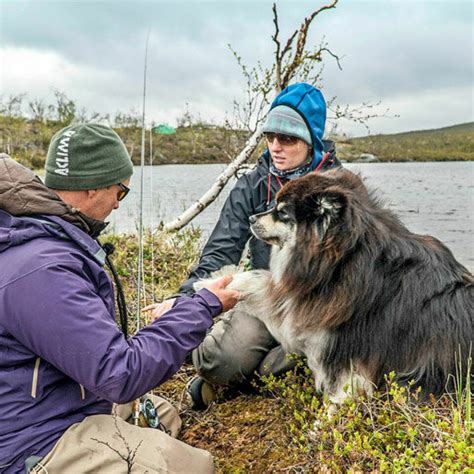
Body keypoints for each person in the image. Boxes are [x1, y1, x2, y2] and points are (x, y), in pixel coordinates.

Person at [0, 123, 240, 473]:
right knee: (192, 466)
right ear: (93, 185)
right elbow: (120, 373)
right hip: (32, 439)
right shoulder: (41, 270)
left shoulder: (45, 232)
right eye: (120, 191)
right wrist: (202, 306)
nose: (117, 203)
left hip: (62, 397)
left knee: (163, 415)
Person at [180, 83, 342, 408]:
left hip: (317, 307)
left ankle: (260, 372)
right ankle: (248, 370)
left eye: (288, 138)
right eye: (270, 137)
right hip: (265, 298)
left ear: (310, 140)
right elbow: (221, 250)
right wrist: (182, 307)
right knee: (219, 363)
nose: (276, 147)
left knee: (330, 348)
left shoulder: (337, 190)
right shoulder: (252, 184)